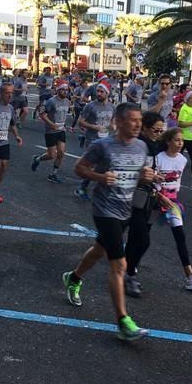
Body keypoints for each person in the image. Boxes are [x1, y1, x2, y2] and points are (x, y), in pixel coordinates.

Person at [63, 102, 156, 341]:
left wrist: (146, 177)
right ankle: (123, 322)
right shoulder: (102, 146)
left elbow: (138, 177)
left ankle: (73, 278)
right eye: (133, 120)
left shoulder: (141, 147)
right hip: (104, 210)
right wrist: (99, 177)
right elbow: (79, 168)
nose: (138, 124)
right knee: (119, 265)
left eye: (140, 120)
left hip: (127, 209)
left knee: (98, 250)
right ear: (119, 121)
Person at [153, 128, 192, 290]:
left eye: (182, 141)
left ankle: (190, 276)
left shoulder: (182, 160)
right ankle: (129, 268)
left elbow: (176, 184)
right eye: (177, 140)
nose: (181, 143)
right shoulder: (158, 159)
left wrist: (171, 198)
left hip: (172, 203)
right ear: (168, 141)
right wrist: (159, 196)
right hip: (154, 201)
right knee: (141, 238)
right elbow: (151, 182)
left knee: (180, 236)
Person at [123, 111, 165, 297]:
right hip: (133, 195)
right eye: (156, 130)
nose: (159, 134)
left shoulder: (157, 145)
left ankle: (126, 268)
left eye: (161, 131)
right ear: (146, 129)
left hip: (151, 197)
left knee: (137, 236)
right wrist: (144, 176)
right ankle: (129, 274)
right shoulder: (138, 145)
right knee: (142, 240)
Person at [74, 81, 115, 200]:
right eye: (98, 91)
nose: (99, 93)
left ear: (107, 93)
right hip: (92, 139)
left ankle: (101, 189)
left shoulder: (111, 106)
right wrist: (93, 127)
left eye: (102, 91)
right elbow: (80, 121)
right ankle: (82, 187)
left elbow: (112, 121)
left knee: (105, 165)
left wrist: (114, 126)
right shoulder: (90, 106)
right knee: (90, 166)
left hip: (106, 140)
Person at [31, 80, 71, 183]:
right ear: (58, 90)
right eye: (63, 90)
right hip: (51, 131)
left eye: (67, 90)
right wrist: (52, 125)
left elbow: (63, 115)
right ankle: (37, 159)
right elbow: (42, 115)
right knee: (51, 155)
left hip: (61, 131)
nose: (65, 92)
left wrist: (65, 125)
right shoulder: (51, 101)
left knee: (61, 153)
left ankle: (53, 174)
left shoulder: (67, 101)